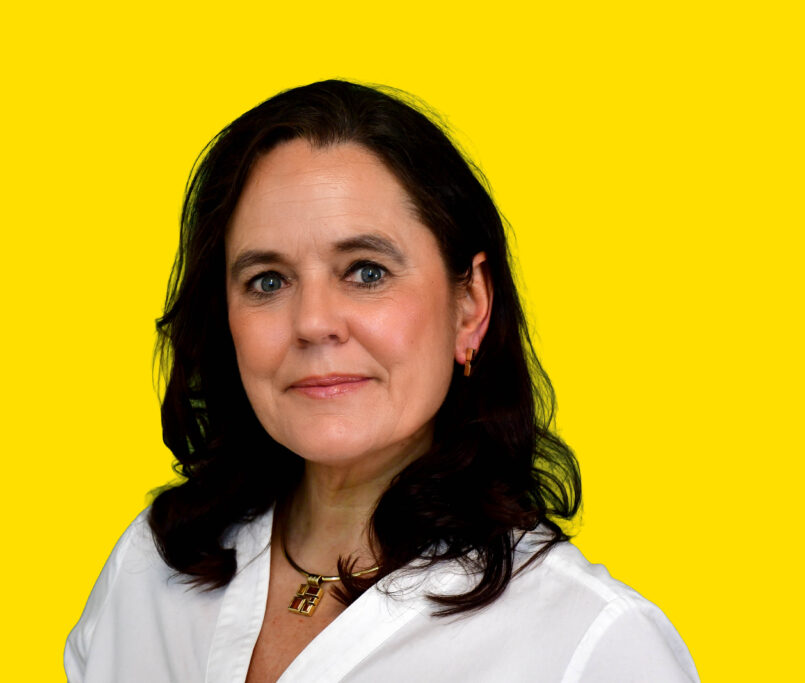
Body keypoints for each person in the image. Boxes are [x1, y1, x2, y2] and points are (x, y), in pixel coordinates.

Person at [65, 79, 699, 682]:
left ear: (470, 306)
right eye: (268, 280)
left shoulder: (591, 644)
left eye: (366, 271)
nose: (313, 323)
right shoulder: (147, 572)